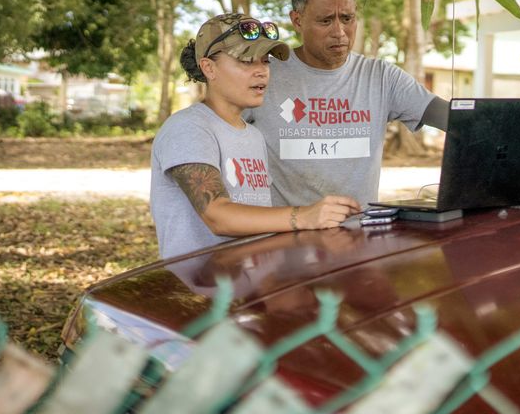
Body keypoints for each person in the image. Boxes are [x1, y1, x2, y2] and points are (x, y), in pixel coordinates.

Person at [150, 13, 361, 259]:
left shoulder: (253, 137)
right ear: (209, 68)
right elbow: (218, 216)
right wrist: (303, 216)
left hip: (248, 290)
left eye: (265, 61)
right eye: (247, 61)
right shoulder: (188, 128)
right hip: (200, 292)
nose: (261, 71)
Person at [251, 0, 449, 207]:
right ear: (297, 20)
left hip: (361, 238)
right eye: (325, 21)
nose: (340, 32)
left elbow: (455, 119)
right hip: (287, 237)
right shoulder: (264, 76)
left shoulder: (382, 77)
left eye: (347, 18)